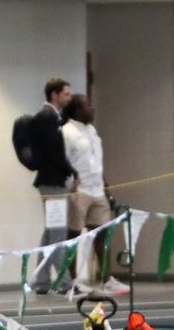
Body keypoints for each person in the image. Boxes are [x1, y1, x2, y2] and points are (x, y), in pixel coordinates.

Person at [61, 94, 129, 296]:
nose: (92, 109)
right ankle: (72, 281)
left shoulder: (92, 131)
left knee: (103, 234)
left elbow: (97, 163)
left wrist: (106, 187)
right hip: (79, 191)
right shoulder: (66, 131)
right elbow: (63, 161)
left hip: (97, 189)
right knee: (73, 236)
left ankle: (106, 278)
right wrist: (69, 186)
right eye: (88, 106)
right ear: (77, 110)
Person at [29, 77, 78, 294]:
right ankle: (64, 282)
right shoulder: (47, 117)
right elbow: (54, 153)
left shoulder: (53, 117)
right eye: (66, 94)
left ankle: (41, 281)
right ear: (54, 95)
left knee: (50, 233)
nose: (69, 97)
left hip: (52, 181)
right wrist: (72, 171)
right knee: (58, 234)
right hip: (52, 182)